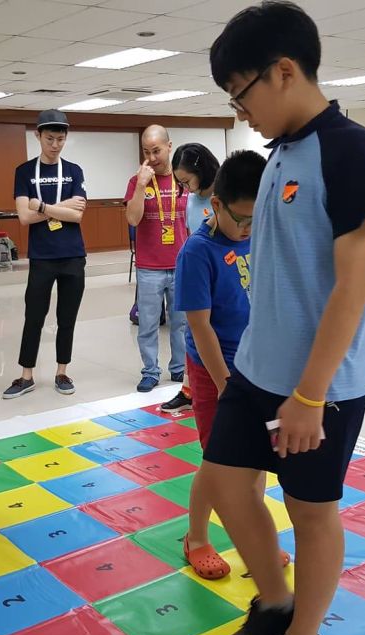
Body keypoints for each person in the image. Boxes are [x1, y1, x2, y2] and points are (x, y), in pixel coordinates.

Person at [201, 0, 365, 635]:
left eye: (240, 93)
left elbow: (352, 284)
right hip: (258, 368)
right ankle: (275, 602)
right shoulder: (280, 150)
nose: (239, 109)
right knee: (224, 482)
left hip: (323, 386)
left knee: (311, 513)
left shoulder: (351, 149)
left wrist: (309, 395)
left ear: (283, 72)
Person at [175, 149, 282, 579]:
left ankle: (253, 541)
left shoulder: (258, 236)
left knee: (256, 460)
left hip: (260, 368)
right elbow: (200, 326)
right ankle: (196, 537)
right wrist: (223, 383)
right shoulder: (198, 251)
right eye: (242, 219)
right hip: (215, 371)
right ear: (216, 204)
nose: (249, 228)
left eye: (258, 219)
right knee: (217, 463)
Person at [4, 110, 88, 399]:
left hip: (73, 256)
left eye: (60, 139)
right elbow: (23, 218)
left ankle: (61, 371)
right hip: (42, 257)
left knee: (67, 317)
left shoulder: (74, 170)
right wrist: (61, 206)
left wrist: (41, 206)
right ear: (38, 136)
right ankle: (26, 375)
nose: (55, 145)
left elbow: (77, 216)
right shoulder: (24, 172)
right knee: (34, 316)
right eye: (50, 138)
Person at [158, 143, 222, 414]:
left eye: (187, 180)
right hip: (200, 277)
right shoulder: (191, 201)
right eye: (180, 182)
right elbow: (189, 237)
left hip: (224, 275)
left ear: (202, 170)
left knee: (219, 334)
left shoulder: (224, 198)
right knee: (193, 332)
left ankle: (222, 385)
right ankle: (189, 389)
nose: (185, 187)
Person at [125, 125, 189, 393]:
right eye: (146, 152)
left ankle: (179, 369)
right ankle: (150, 371)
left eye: (157, 151)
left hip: (182, 265)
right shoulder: (136, 181)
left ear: (169, 146)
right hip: (149, 267)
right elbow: (133, 219)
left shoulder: (184, 180)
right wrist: (140, 186)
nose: (152, 157)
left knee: (182, 324)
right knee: (148, 324)